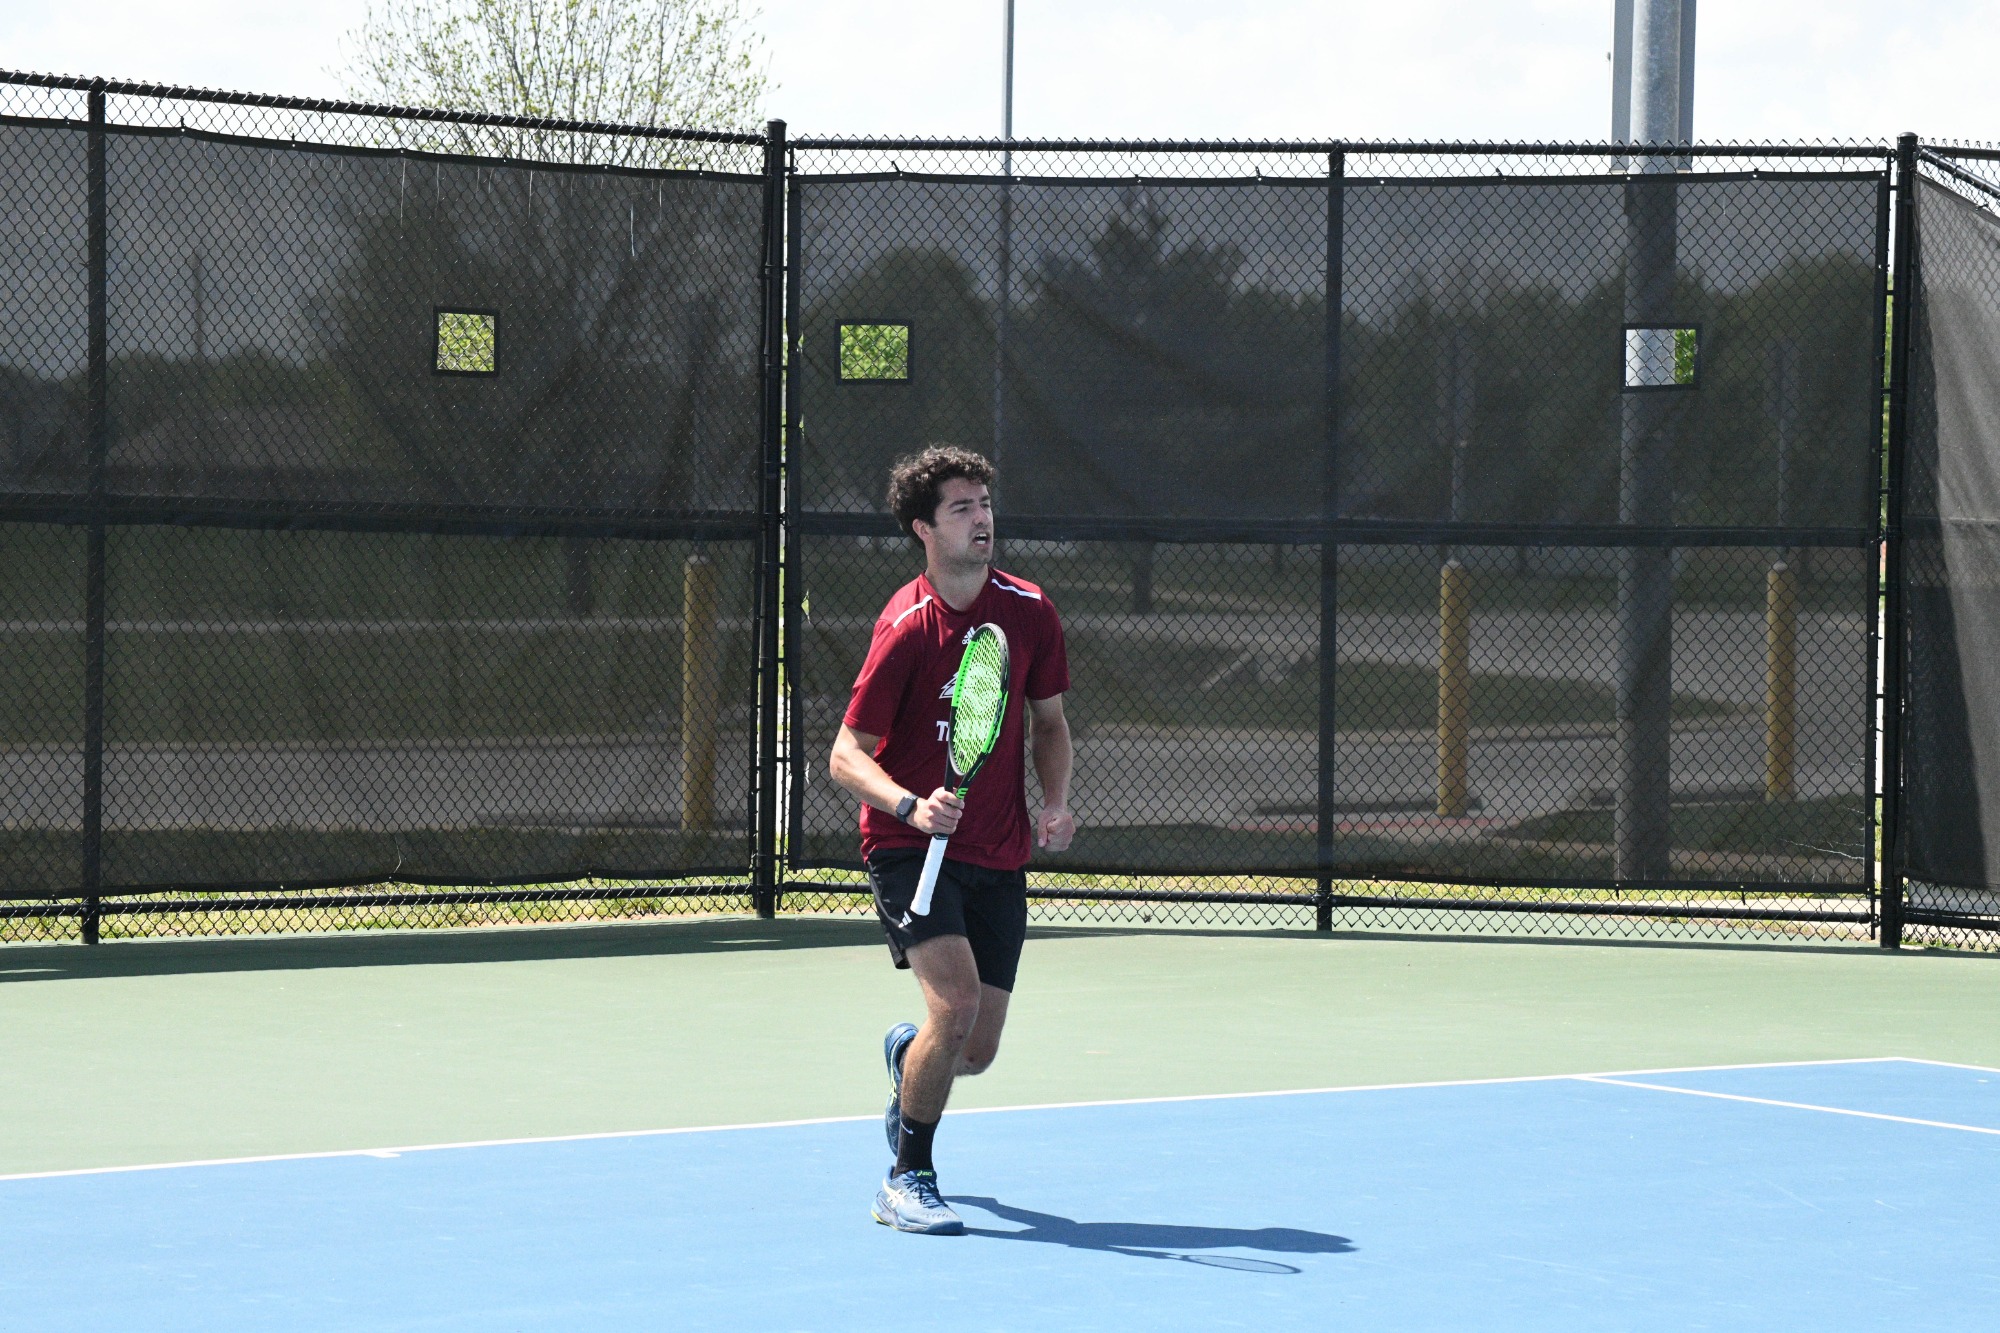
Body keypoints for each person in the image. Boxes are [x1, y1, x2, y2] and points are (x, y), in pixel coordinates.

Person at [827, 445, 1075, 1235]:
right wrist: (908, 804)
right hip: (909, 850)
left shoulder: (1029, 610)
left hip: (998, 851)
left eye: (985, 505)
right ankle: (907, 1177)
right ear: (923, 529)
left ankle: (910, 1059)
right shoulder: (904, 628)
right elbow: (844, 754)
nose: (982, 519)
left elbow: (1050, 723)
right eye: (961, 508)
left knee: (974, 1048)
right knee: (958, 1001)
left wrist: (1056, 801)